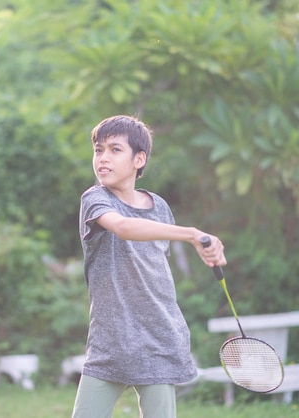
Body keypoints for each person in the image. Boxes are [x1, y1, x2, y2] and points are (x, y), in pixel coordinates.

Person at [72, 115, 227, 418]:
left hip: (159, 337)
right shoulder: (95, 199)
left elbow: (154, 267)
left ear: (138, 159)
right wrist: (192, 234)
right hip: (110, 341)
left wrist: (203, 247)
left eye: (115, 150)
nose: (103, 158)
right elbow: (124, 227)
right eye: (98, 150)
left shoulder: (159, 207)